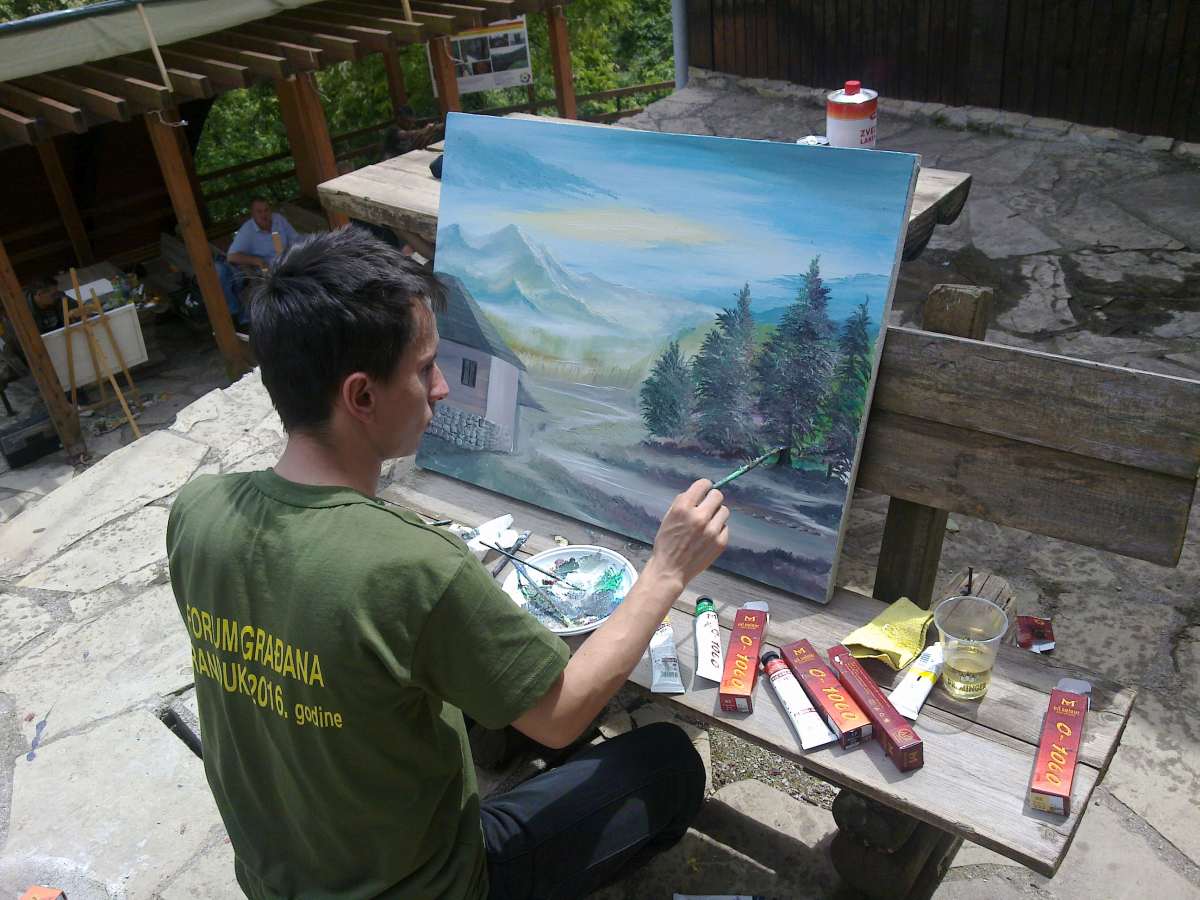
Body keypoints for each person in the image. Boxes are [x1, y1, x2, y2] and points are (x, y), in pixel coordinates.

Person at [166, 227, 730, 900]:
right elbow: (562, 715)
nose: (440, 388)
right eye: (424, 368)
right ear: (361, 397)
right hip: (433, 888)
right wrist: (666, 571)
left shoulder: (196, 511)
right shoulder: (412, 565)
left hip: (277, 879)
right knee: (668, 762)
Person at [217, 197, 301, 324]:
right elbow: (231, 256)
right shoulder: (248, 230)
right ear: (252, 214)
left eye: (266, 210)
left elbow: (296, 240)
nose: (264, 214)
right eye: (259, 212)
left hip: (287, 263)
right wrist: (257, 261)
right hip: (266, 271)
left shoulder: (278, 220)